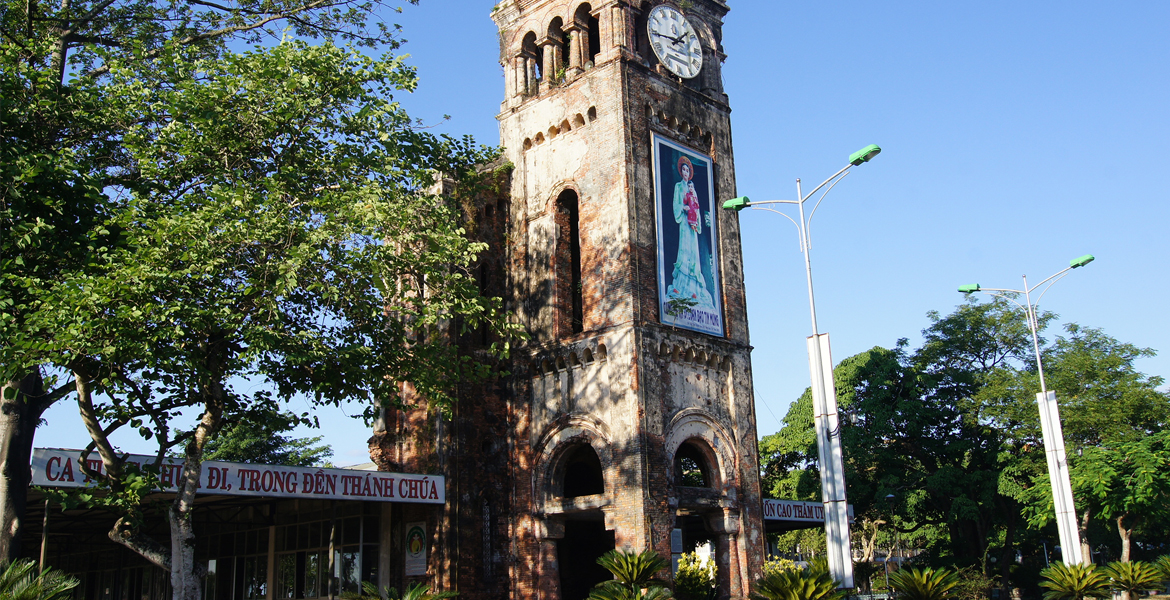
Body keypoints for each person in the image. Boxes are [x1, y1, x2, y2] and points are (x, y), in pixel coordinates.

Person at [667, 155, 715, 310]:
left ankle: (695, 289)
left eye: (688, 170)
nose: (686, 172)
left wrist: (697, 222)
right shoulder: (678, 187)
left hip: (693, 226)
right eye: (684, 170)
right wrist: (683, 208)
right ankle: (681, 286)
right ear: (681, 172)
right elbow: (676, 203)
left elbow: (698, 207)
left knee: (694, 253)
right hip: (684, 225)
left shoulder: (692, 189)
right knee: (685, 250)